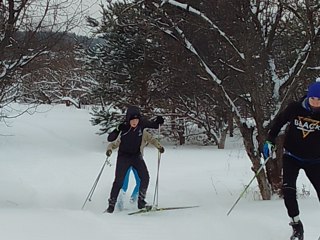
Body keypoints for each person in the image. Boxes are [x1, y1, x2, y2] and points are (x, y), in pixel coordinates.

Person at [263, 79, 320, 240]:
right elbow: (278, 123)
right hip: (291, 157)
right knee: (288, 192)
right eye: (313, 98)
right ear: (308, 97)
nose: (315, 103)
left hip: (315, 161)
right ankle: (296, 226)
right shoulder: (295, 108)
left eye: (319, 100)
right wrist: (269, 140)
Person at [105, 109, 165, 213]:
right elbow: (110, 139)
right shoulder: (124, 127)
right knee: (119, 181)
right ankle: (111, 205)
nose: (134, 122)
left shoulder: (141, 124)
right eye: (132, 120)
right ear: (128, 119)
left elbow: (154, 125)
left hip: (136, 156)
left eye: (136, 120)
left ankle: (141, 201)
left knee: (145, 178)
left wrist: (159, 121)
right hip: (124, 157)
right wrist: (117, 129)